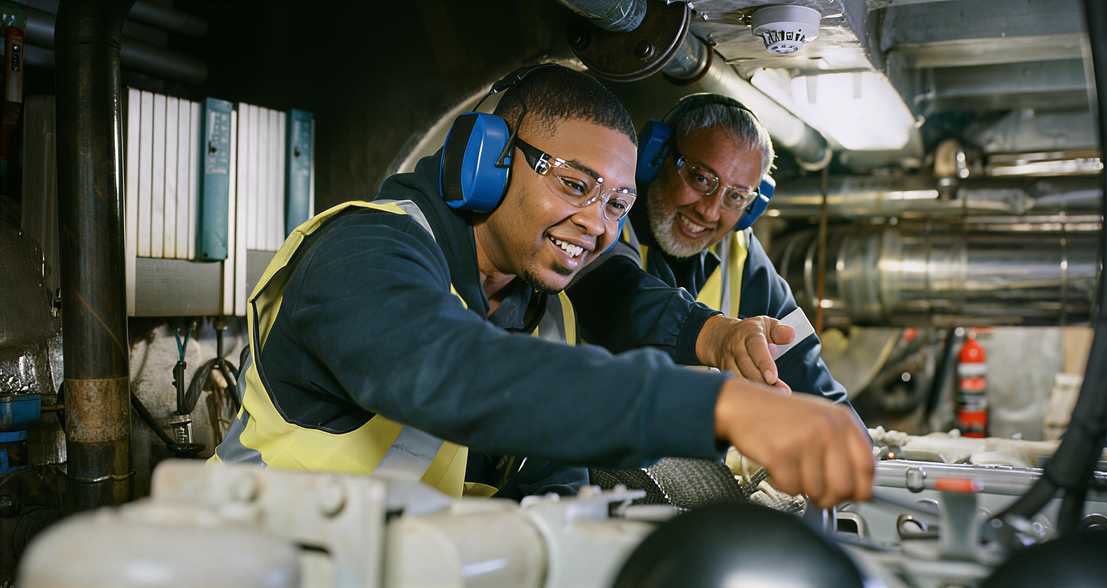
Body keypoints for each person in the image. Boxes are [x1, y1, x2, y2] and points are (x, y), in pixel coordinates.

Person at [212, 66, 872, 508]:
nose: (598, 225)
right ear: (489, 161)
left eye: (617, 203)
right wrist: (720, 406)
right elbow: (456, 373)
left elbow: (547, 484)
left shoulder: (546, 308)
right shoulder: (363, 254)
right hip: (253, 563)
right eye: (575, 185)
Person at [570, 94, 854, 411]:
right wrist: (714, 335)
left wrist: (851, 438)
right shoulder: (605, 218)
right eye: (701, 178)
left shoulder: (741, 252)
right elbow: (617, 298)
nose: (710, 210)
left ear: (751, 208)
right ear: (656, 157)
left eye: (735, 197)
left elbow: (807, 371)